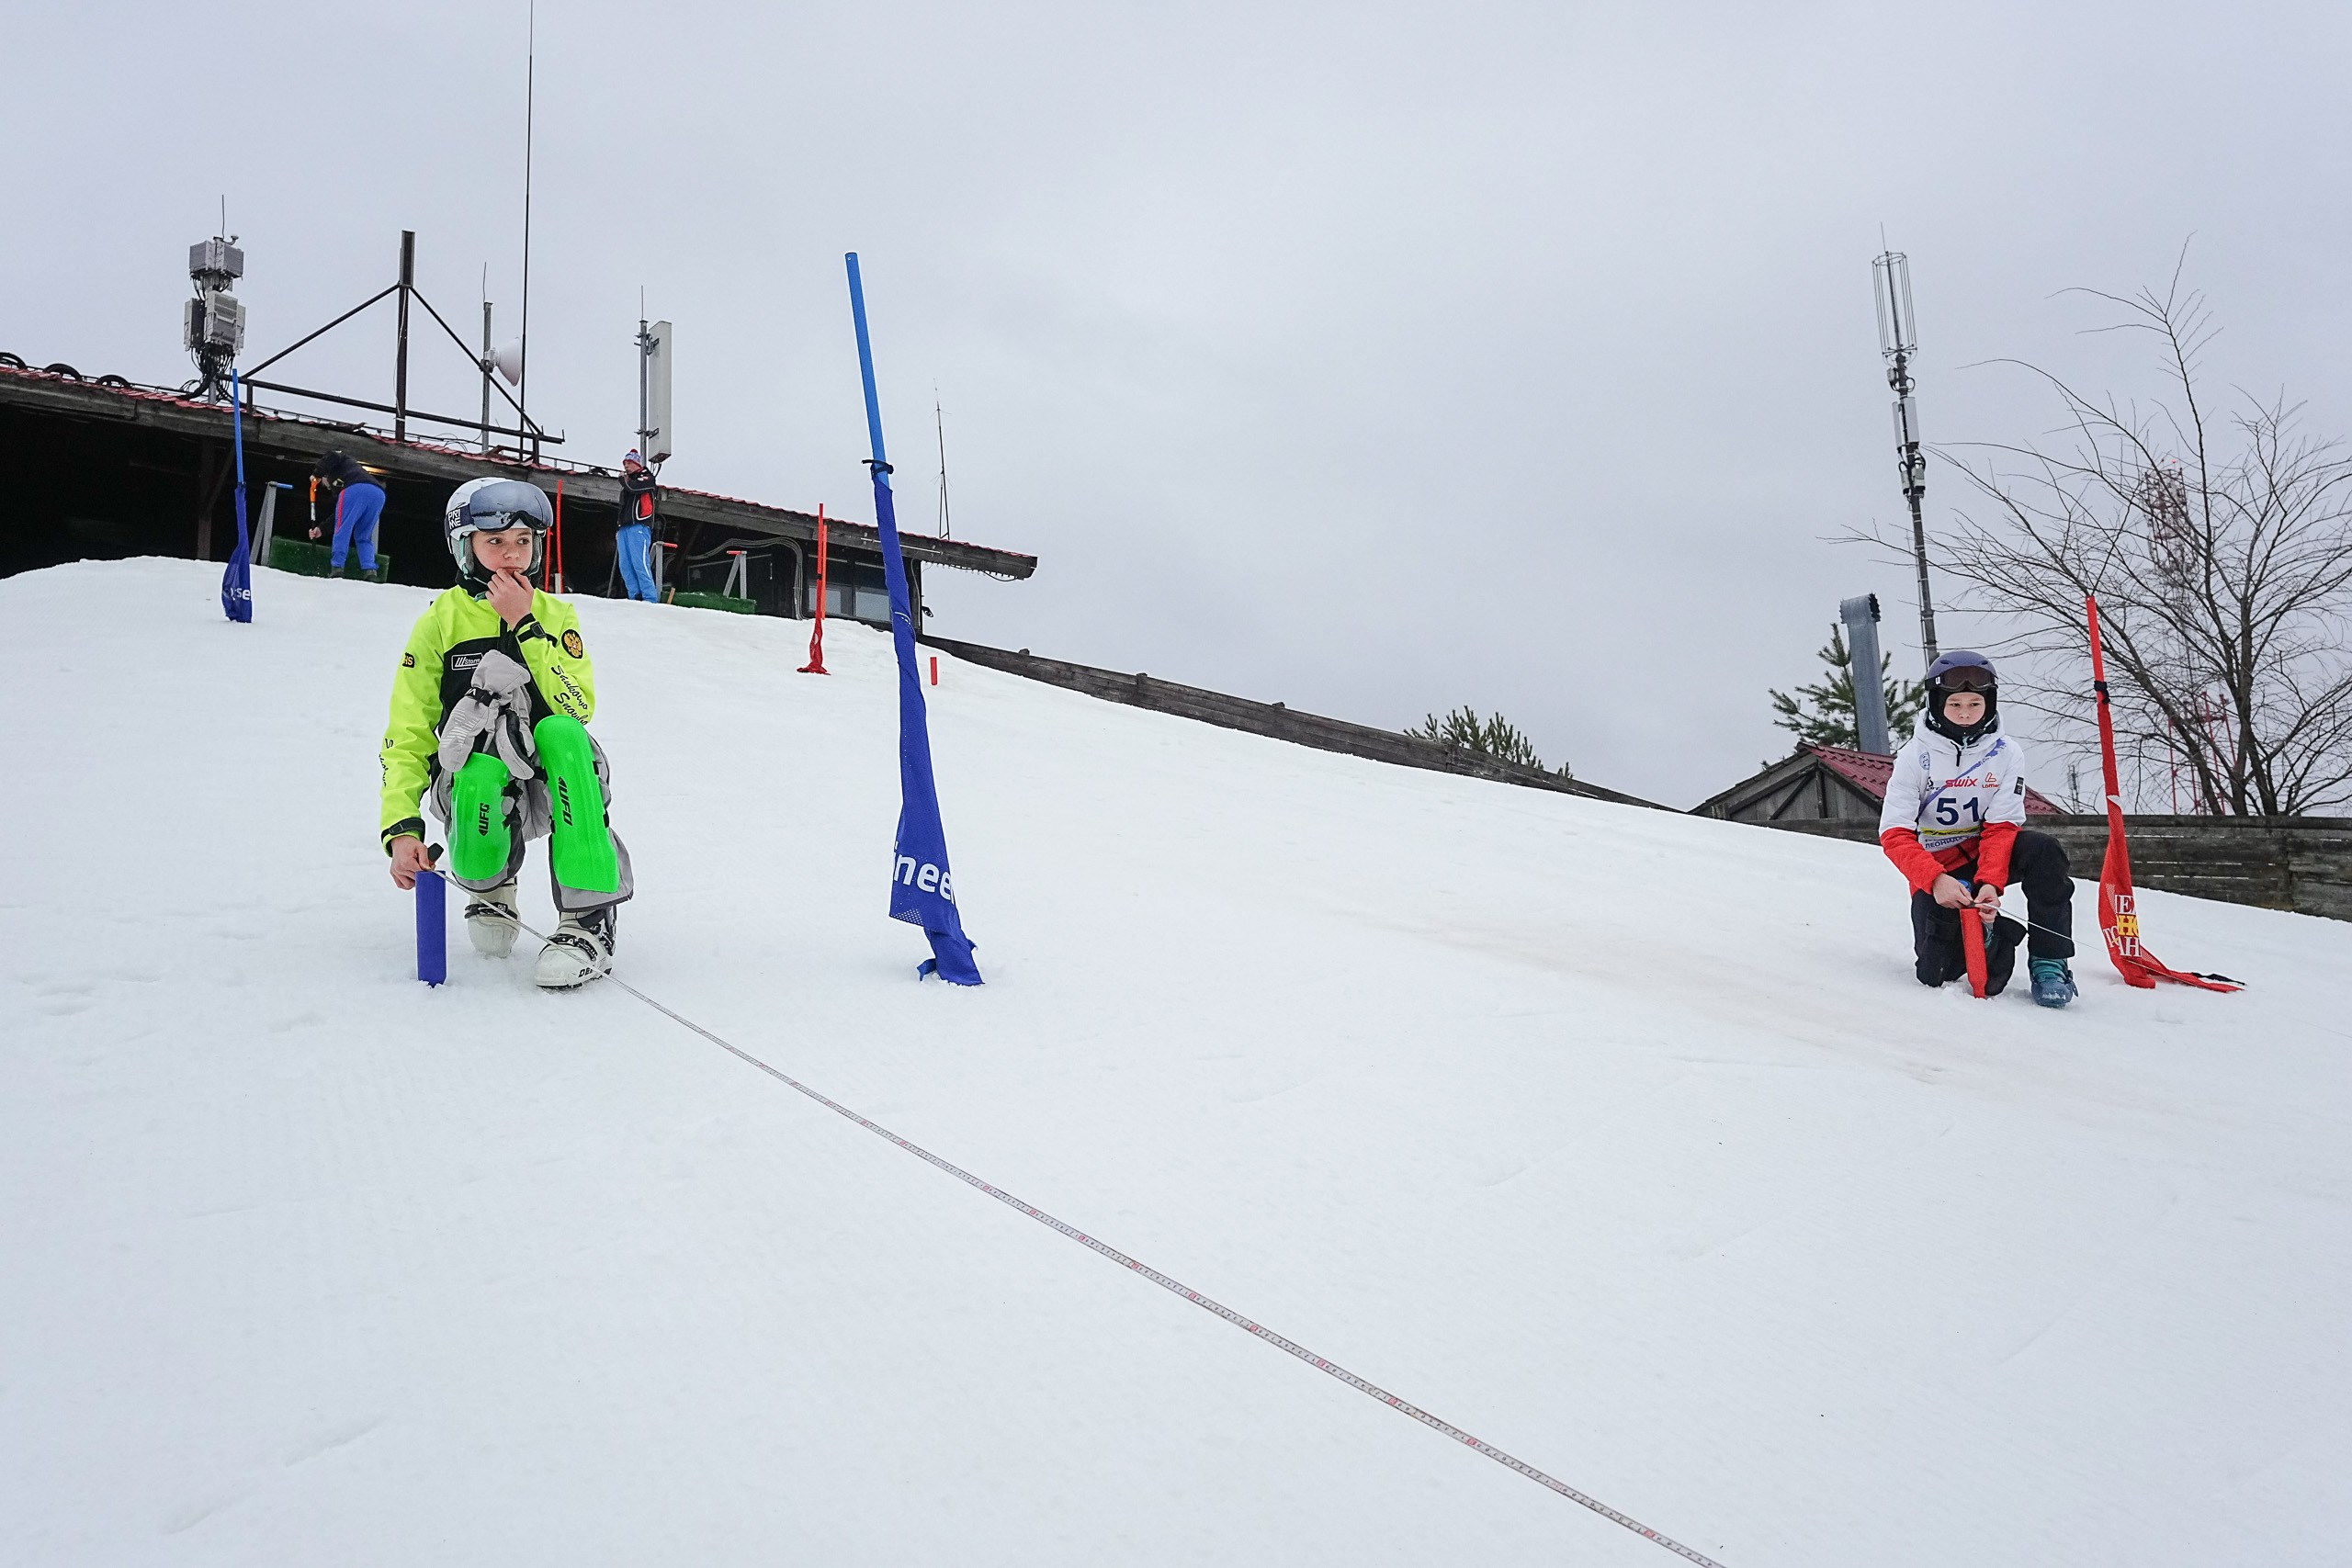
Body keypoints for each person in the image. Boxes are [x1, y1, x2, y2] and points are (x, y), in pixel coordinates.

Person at [379, 479, 635, 988]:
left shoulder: (555, 614)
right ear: (464, 545)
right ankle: (492, 887)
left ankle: (587, 920)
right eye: (495, 542)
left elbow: (577, 704)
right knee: (474, 767)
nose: (511, 556)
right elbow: (408, 730)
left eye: (523, 541)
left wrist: (525, 624)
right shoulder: (441, 622)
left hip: (551, 778)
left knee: (564, 735)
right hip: (483, 778)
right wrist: (402, 828)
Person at [1879, 650, 2078, 1007]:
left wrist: (1990, 882)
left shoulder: (2006, 753)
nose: (1966, 713)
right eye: (1955, 704)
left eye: (1975, 703)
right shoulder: (1913, 757)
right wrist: (1935, 880)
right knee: (1935, 973)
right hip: (1939, 867)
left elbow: (2002, 827)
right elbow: (1894, 834)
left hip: (1987, 853)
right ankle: (1989, 933)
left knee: (2044, 850)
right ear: (1937, 703)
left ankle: (2050, 960)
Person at [309, 449, 388, 580]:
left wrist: (316, 473)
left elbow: (332, 454)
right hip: (377, 494)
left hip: (355, 489)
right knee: (364, 535)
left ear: (324, 476)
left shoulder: (339, 461)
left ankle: (337, 568)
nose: (326, 487)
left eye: (323, 483)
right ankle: (370, 571)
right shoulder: (351, 471)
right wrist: (321, 529)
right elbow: (339, 515)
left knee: (342, 529)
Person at [615, 449, 660, 602]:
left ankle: (650, 598)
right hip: (625, 528)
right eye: (624, 464)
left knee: (640, 563)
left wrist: (623, 480)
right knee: (625, 566)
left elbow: (634, 487)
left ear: (637, 463)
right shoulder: (628, 481)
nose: (626, 466)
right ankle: (634, 597)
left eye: (629, 463)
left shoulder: (646, 478)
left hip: (639, 526)